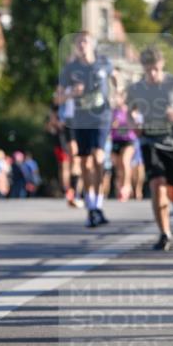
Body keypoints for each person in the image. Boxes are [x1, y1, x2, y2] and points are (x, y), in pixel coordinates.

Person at [126, 46, 173, 251]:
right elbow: (130, 111)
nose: (152, 74)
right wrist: (133, 125)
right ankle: (164, 233)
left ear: (162, 65)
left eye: (155, 69)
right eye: (148, 70)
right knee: (157, 185)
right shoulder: (136, 88)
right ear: (143, 68)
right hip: (149, 141)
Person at [58, 31, 115, 227]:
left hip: (101, 116)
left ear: (92, 44)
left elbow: (115, 77)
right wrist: (70, 93)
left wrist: (120, 93)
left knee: (98, 158)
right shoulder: (70, 69)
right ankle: (91, 205)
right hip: (80, 119)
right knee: (85, 162)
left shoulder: (103, 63)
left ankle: (98, 203)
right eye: (79, 42)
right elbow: (57, 97)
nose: (82, 45)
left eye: (85, 41)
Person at [109, 91, 137, 201]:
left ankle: (126, 187)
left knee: (125, 161)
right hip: (116, 140)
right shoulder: (113, 112)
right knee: (118, 166)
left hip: (128, 140)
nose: (115, 99)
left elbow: (135, 124)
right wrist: (113, 124)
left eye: (118, 97)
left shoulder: (129, 111)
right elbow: (109, 127)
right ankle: (121, 187)